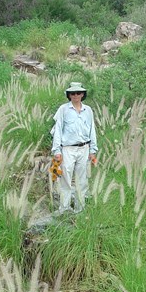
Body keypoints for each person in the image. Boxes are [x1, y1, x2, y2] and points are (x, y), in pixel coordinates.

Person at [51, 82, 98, 214]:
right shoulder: (63, 109)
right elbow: (58, 130)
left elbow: (92, 130)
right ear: (69, 95)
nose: (75, 95)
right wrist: (57, 151)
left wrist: (93, 150)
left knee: (82, 180)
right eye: (73, 93)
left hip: (84, 148)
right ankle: (64, 208)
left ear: (82, 94)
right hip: (68, 149)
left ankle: (80, 208)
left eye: (78, 93)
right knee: (66, 179)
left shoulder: (88, 110)